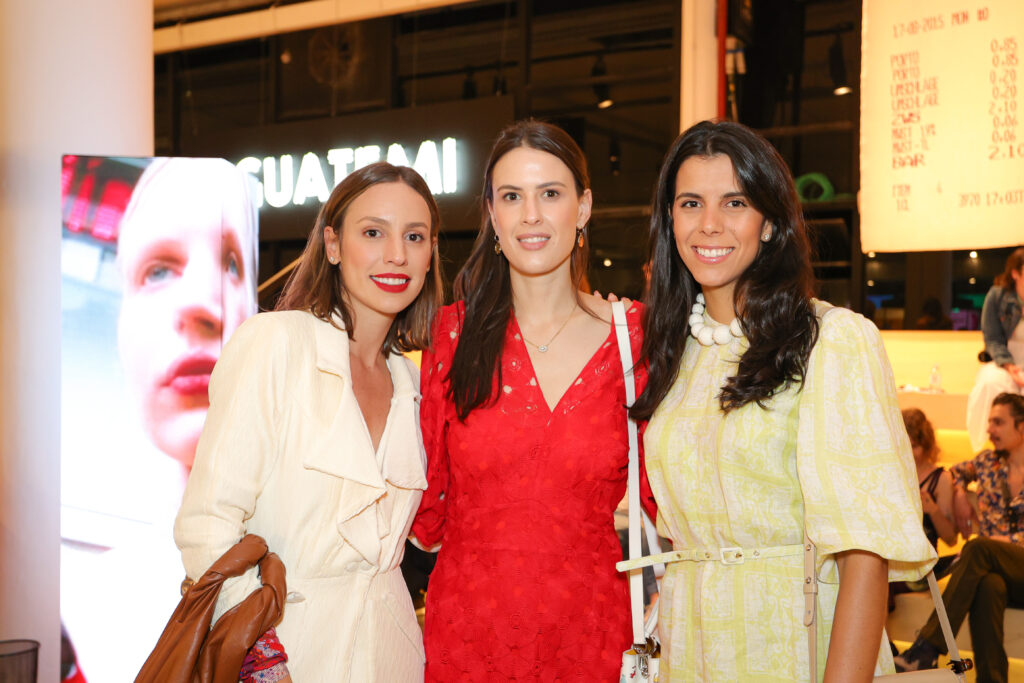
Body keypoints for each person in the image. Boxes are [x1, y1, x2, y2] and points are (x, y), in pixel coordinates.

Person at [630, 120, 935, 681]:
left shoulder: (832, 339)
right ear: (669, 221)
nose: (710, 224)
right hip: (689, 649)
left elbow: (864, 558)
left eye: (735, 202)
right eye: (690, 203)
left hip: (793, 646)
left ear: (769, 222)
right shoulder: (673, 353)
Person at [175, 161, 442, 681]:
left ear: (432, 253)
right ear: (333, 244)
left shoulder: (409, 382)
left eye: (415, 236)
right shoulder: (276, 343)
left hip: (392, 656)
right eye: (373, 232)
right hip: (285, 652)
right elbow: (207, 526)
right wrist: (263, 663)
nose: (397, 255)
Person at [411, 119, 647, 681]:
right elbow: (426, 514)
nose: (532, 215)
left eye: (551, 194)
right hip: (470, 633)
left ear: (583, 208)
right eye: (512, 197)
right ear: (492, 214)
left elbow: (673, 492)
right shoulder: (450, 338)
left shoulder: (634, 338)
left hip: (591, 630)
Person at [61, 156, 262, 682]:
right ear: (120, 335)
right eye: (158, 271)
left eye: (232, 265)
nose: (202, 303)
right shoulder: (81, 605)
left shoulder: (296, 549)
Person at [896, 393, 1024, 683]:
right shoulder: (987, 462)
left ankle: (926, 648)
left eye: (998, 422)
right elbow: (951, 472)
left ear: (1022, 427)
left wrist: (1004, 543)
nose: (989, 429)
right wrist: (958, 493)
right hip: (996, 569)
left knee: (978, 548)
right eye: (990, 422)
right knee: (988, 584)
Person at [967, 247, 1024, 452]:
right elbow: (992, 338)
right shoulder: (997, 296)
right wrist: (1010, 368)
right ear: (1015, 273)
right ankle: (985, 451)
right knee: (989, 383)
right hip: (1004, 361)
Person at [903, 408, 958, 549]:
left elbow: (951, 539)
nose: (908, 453)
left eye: (914, 446)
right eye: (903, 446)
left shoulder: (940, 478)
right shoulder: (889, 472)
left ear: (926, 445)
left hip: (924, 561)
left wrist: (933, 510)